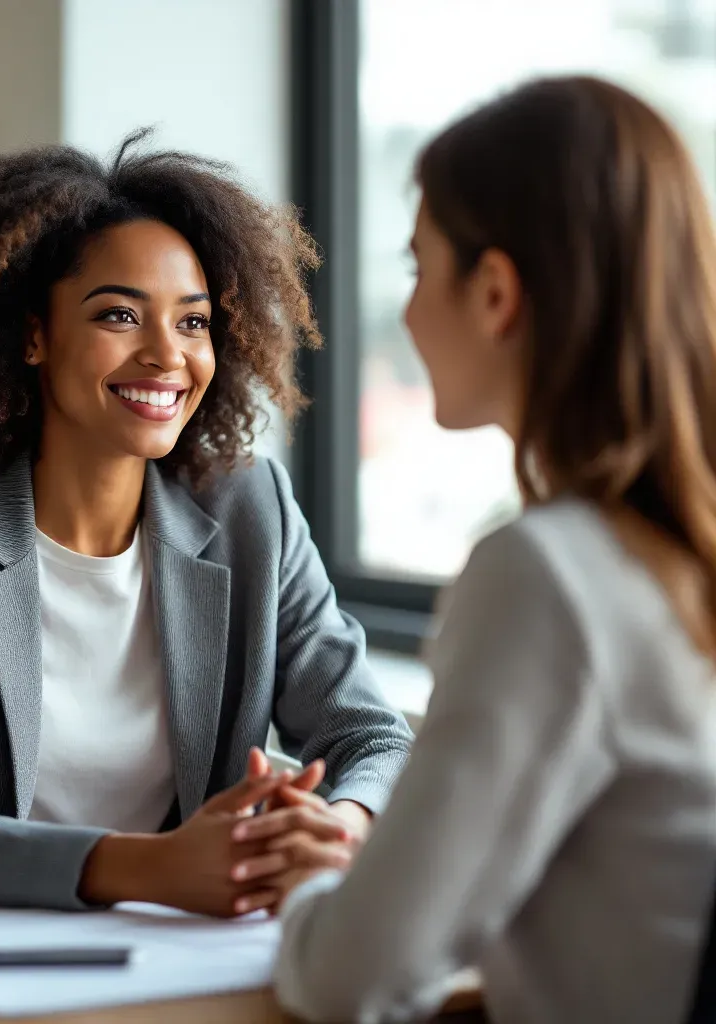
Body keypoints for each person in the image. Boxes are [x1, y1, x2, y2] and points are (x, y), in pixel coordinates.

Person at [0, 133, 413, 916]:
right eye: (120, 315)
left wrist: (338, 829)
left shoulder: (251, 510)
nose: (167, 354)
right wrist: (149, 868)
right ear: (33, 334)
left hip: (178, 954)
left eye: (193, 322)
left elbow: (372, 738)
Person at [267, 75, 716, 1023]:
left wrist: (309, 888)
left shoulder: (550, 577)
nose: (407, 312)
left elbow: (353, 976)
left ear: (497, 293)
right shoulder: (673, 562)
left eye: (419, 266)